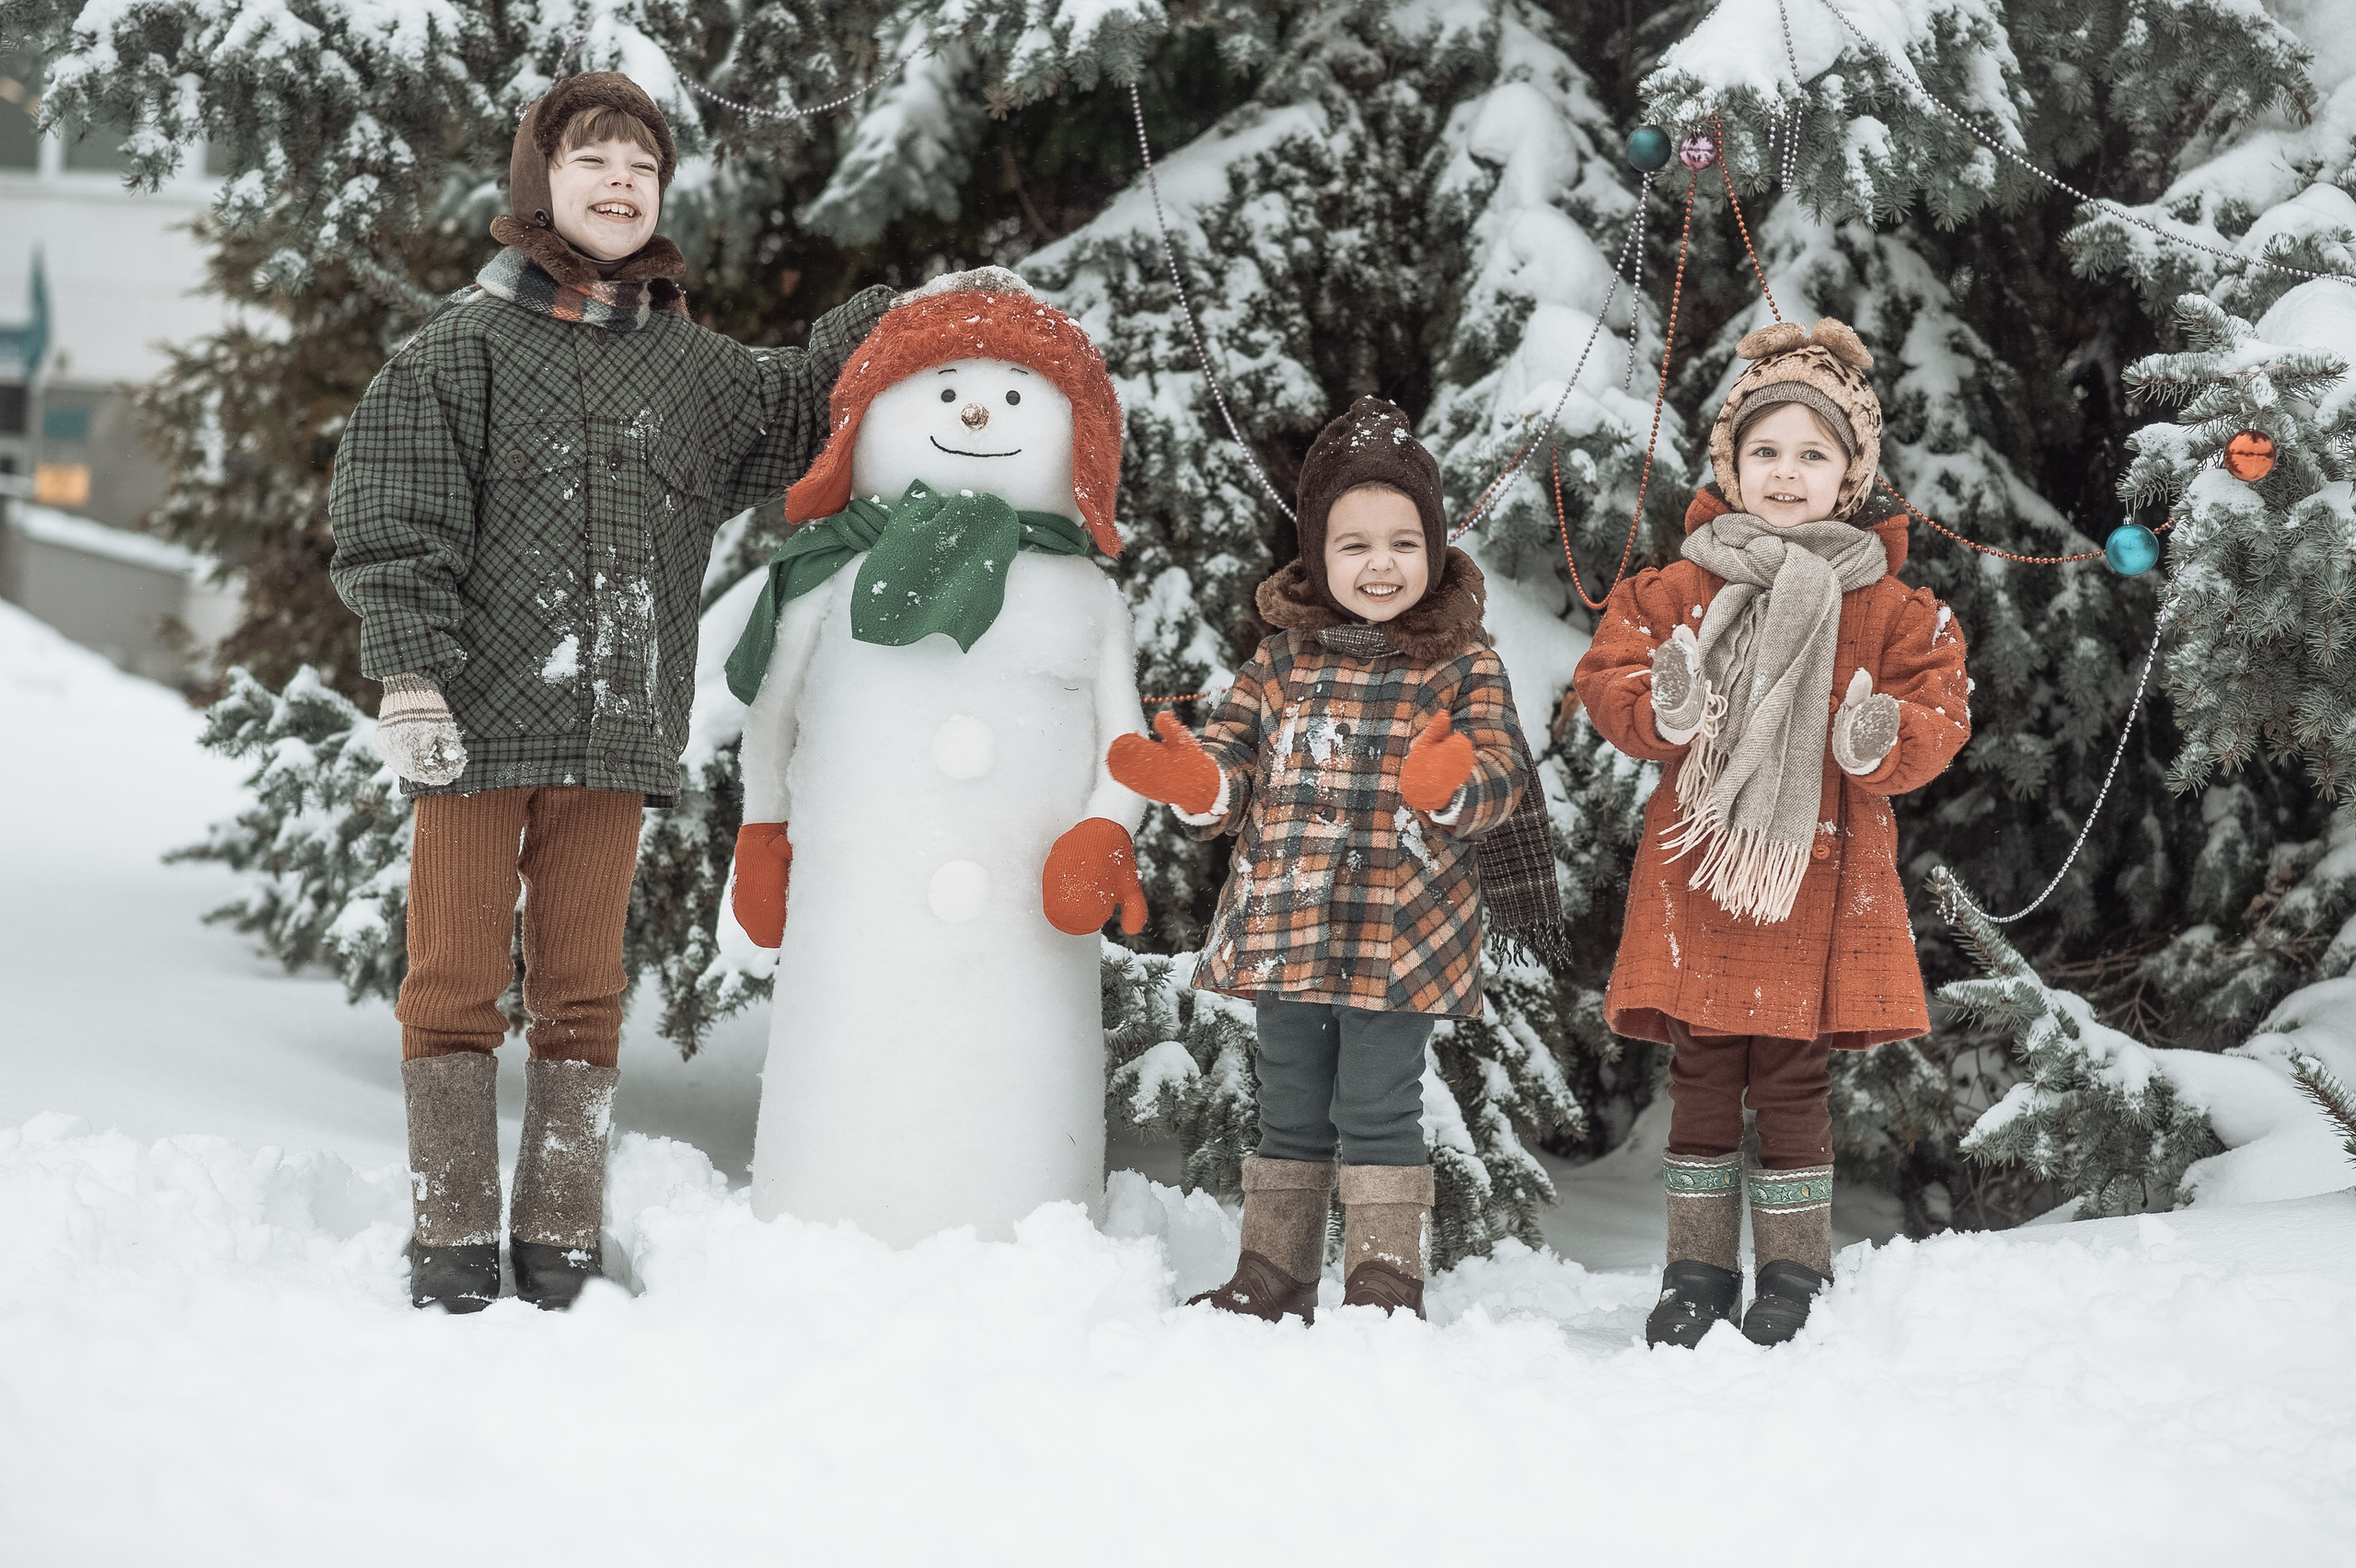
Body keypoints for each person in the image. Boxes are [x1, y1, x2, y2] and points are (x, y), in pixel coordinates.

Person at [329, 72, 894, 1312]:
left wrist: (898, 318)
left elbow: (803, 407)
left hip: (617, 727)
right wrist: (410, 678)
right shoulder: (462, 350)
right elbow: (393, 515)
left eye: (642, 167)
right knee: (453, 981)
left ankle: (560, 1237)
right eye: (592, 160)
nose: (620, 183)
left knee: (583, 991)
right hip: (474, 726)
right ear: (541, 185)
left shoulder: (692, 369)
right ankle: (453, 1237)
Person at [1571, 318, 1971, 1348]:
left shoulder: (1892, 607)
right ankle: (1696, 1269)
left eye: (1811, 454)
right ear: (1730, 464)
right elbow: (1611, 673)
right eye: (1764, 451)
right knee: (1703, 1072)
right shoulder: (1680, 587)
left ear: (1851, 475)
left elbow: (1937, 708)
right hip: (1703, 873)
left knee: (1793, 1078)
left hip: (1815, 877)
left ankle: (1793, 1269)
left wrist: (1879, 738)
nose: (1785, 474)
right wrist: (1664, 710)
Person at [1108, 397, 1551, 1321]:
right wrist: (1200, 784)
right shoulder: (1278, 662)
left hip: (1403, 928)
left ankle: (1386, 1280)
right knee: (1290, 1103)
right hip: (1289, 916)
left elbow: (1502, 775)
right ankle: (1274, 1271)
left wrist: (1452, 784)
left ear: (1434, 550)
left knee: (1378, 1104)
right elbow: (1232, 762)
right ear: (1316, 554)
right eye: (1354, 545)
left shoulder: (1463, 664)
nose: (1380, 564)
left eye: (1402, 543)